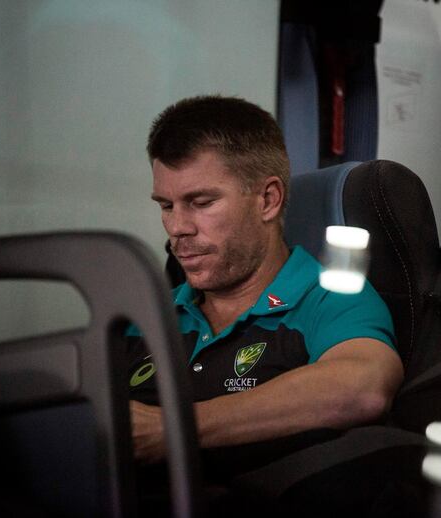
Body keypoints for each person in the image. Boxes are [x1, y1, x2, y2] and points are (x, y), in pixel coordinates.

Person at [125, 95, 404, 474]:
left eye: (201, 202)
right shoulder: (149, 315)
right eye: (167, 206)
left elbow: (363, 387)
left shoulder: (329, 298)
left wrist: (173, 428)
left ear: (268, 200)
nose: (178, 227)